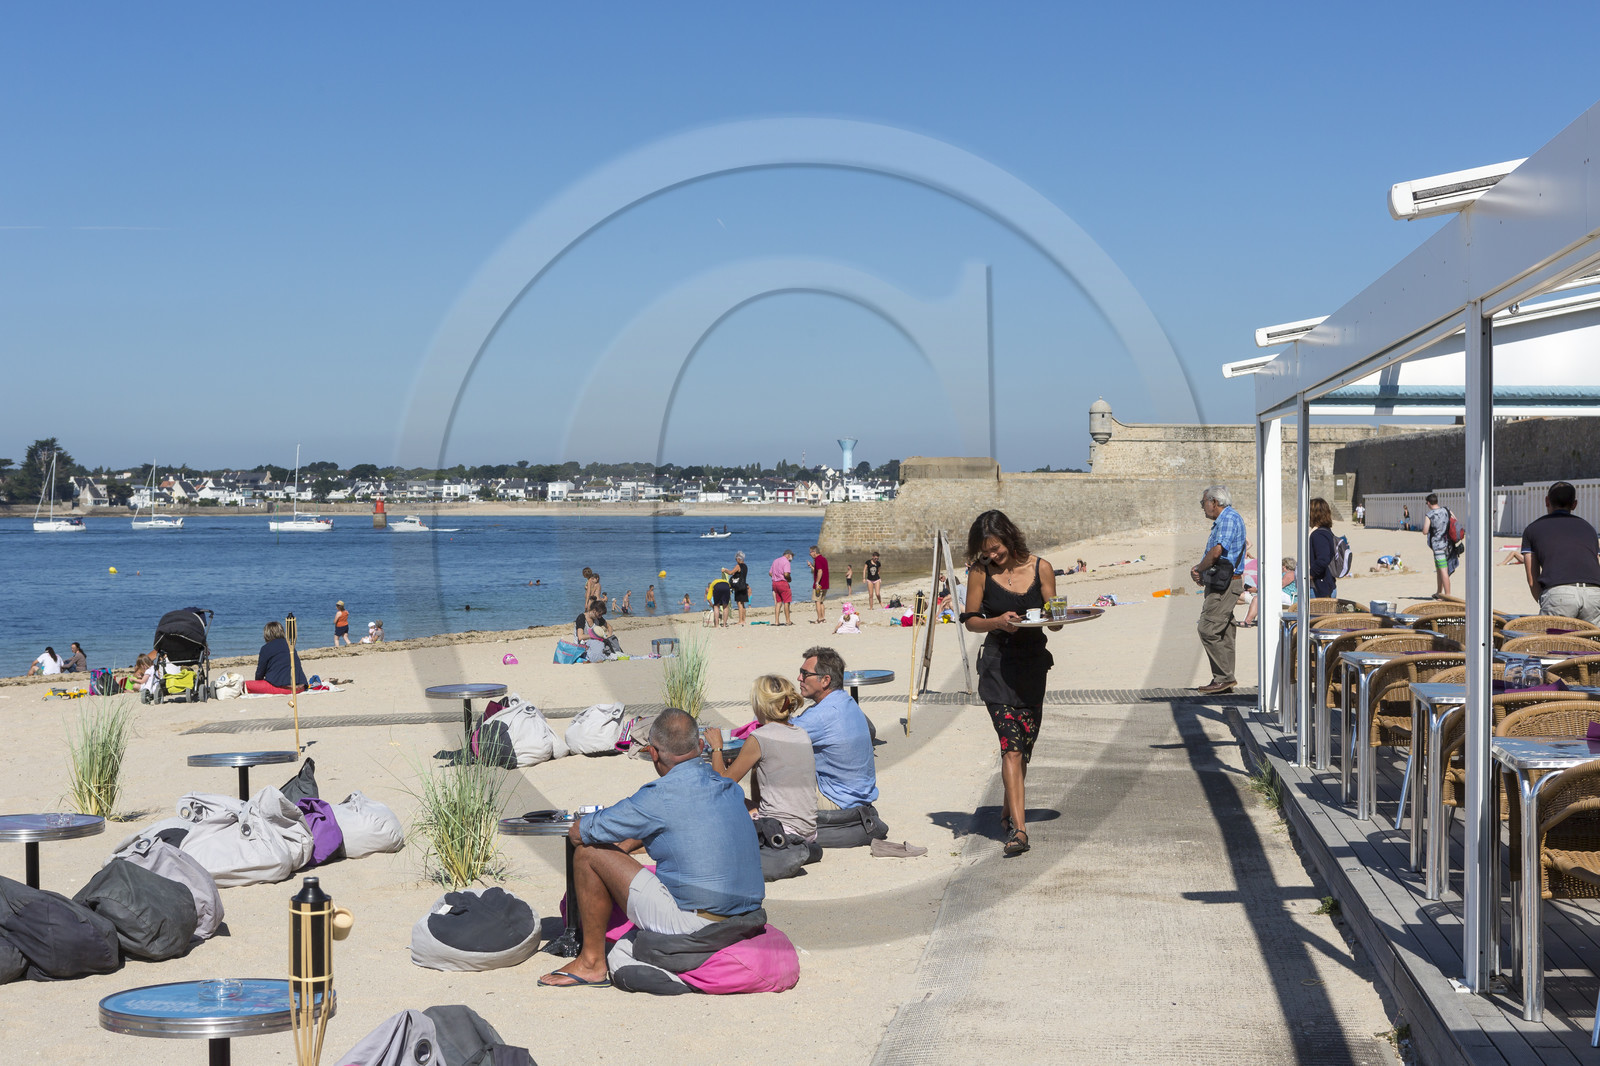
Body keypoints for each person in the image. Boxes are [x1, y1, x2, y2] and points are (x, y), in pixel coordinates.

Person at [538, 709, 764, 989]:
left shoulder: (658, 795)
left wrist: (603, 841)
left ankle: (591, 963)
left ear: (654, 753)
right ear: (701, 746)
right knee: (639, 840)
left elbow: (580, 832)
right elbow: (676, 829)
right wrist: (625, 846)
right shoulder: (728, 787)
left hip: (696, 924)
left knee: (588, 853)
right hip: (748, 914)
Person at [962, 509, 1059, 857]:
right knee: (1012, 747)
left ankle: (1008, 808)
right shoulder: (979, 572)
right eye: (986, 551)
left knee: (1025, 747)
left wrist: (1058, 618)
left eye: (996, 548)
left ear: (1009, 537)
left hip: (1033, 668)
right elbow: (971, 620)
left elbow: (1055, 616)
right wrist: (997, 622)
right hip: (997, 668)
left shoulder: (1040, 568)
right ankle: (1019, 830)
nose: (993, 556)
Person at [707, 676, 819, 879]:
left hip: (782, 831)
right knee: (742, 801)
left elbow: (721, 784)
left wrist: (716, 748)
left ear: (760, 704)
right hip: (809, 830)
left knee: (718, 804)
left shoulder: (760, 737)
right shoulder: (801, 733)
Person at [793, 646, 886, 847]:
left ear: (825, 680)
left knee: (769, 764)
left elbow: (774, 738)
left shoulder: (822, 715)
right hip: (859, 794)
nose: (799, 678)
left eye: (805, 674)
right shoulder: (847, 702)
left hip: (837, 799)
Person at [1190, 485, 1246, 695]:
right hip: (1223, 582)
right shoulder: (1226, 520)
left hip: (1226, 584)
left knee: (1207, 628)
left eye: (1203, 502)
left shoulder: (1228, 519)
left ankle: (1224, 678)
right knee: (1224, 631)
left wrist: (1198, 568)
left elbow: (1217, 552)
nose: (1202, 507)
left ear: (1215, 502)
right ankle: (1224, 680)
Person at [1520, 481, 1600, 622]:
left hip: (1559, 593)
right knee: (1592, 643)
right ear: (1574, 504)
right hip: (1594, 594)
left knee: (1555, 643)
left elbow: (1532, 579)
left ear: (1546, 501)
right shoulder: (1589, 529)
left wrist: (1545, 601)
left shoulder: (1533, 529)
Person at [248, 621, 307, 694]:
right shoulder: (290, 645)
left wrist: (258, 684)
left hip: (284, 688)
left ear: (267, 634)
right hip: (301, 686)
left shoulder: (266, 648)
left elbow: (260, 673)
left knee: (244, 685)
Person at [1422, 493, 1458, 599]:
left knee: (1443, 570)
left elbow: (1425, 531)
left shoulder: (1430, 515)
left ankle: (1447, 595)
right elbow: (1454, 520)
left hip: (1438, 546)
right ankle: (1439, 593)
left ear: (1428, 503)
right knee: (1439, 569)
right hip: (1449, 544)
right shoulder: (1447, 510)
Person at [1306, 497, 1340, 599]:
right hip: (1323, 585)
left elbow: (1323, 559)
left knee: (1318, 615)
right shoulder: (1325, 531)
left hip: (1319, 588)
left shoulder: (1319, 534)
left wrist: (1310, 575)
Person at [722, 552, 751, 625]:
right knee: (743, 604)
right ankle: (743, 620)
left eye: (736, 559)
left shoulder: (738, 566)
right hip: (744, 586)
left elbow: (731, 572)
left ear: (738, 558)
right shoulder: (745, 566)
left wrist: (725, 570)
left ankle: (740, 620)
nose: (736, 560)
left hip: (739, 586)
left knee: (739, 603)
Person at [770, 550, 794, 626]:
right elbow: (786, 574)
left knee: (778, 602)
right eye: (792, 557)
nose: (791, 559)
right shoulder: (786, 562)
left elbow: (770, 573)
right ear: (789, 555)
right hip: (782, 583)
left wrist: (776, 576)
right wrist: (789, 579)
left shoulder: (775, 561)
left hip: (775, 583)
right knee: (786, 602)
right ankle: (788, 621)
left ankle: (776, 621)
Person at [808, 545, 830, 623]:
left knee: (817, 601)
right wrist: (811, 566)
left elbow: (820, 571)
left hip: (819, 585)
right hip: (825, 584)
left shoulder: (817, 559)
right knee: (821, 601)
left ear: (814, 552)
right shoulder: (824, 559)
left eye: (810, 552)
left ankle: (819, 618)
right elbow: (817, 571)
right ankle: (823, 618)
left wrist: (817, 583)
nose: (809, 554)